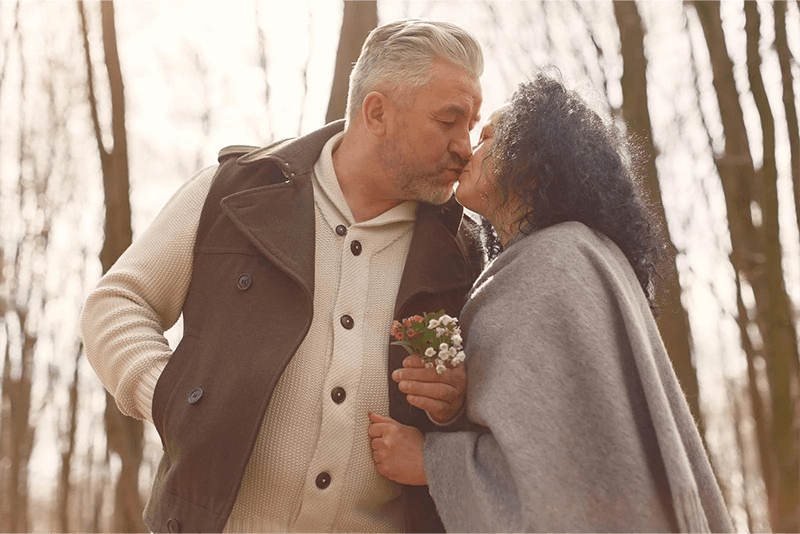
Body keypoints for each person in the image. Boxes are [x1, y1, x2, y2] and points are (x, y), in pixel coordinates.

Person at [80, 19, 486, 534]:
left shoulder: (466, 254)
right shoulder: (231, 196)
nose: (465, 147)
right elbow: (117, 302)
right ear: (377, 112)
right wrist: (168, 395)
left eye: (471, 125)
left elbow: (498, 425)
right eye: (449, 121)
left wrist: (453, 404)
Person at [369, 72, 735, 533]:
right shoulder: (575, 256)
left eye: (488, 137)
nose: (466, 149)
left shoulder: (553, 266)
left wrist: (427, 461)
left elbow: (559, 483)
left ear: (532, 164)